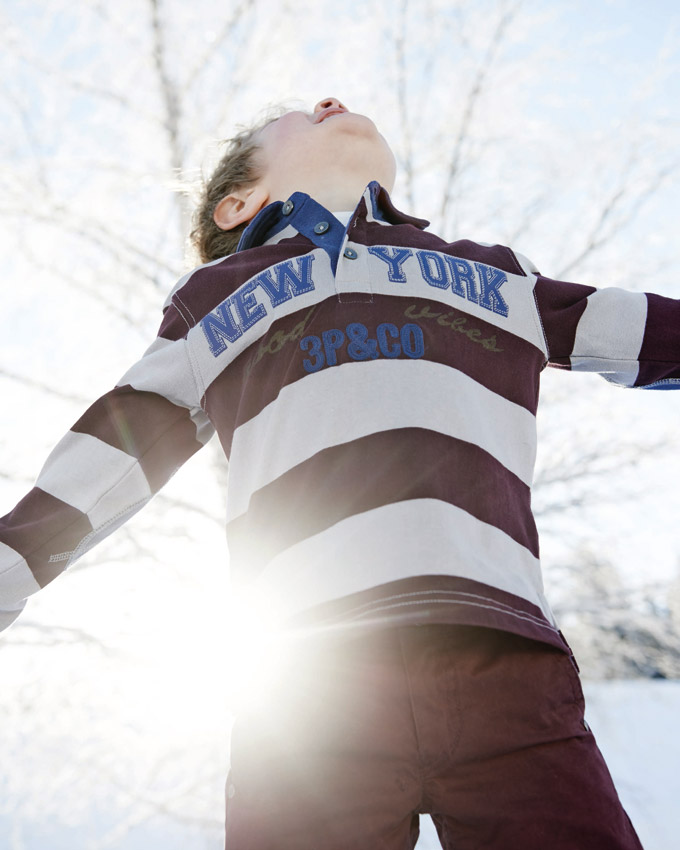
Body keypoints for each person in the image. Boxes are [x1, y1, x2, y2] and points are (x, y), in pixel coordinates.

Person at [1, 95, 667, 849]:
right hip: (304, 692)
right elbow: (108, 460)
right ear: (237, 203)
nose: (327, 100)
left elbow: (643, 328)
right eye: (288, 114)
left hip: (506, 668)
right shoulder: (214, 302)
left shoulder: (495, 277)